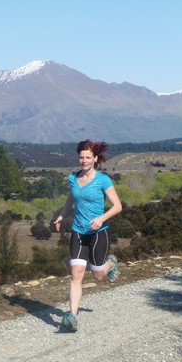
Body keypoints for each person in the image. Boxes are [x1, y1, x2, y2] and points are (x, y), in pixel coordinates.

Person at [53, 139, 122, 332]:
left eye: (88, 157)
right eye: (81, 157)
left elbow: (118, 206)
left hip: (98, 232)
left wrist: (101, 218)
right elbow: (71, 198)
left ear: (95, 159)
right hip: (78, 232)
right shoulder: (73, 178)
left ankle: (111, 263)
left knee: (98, 274)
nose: (84, 161)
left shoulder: (103, 180)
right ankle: (72, 316)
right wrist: (61, 215)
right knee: (76, 274)